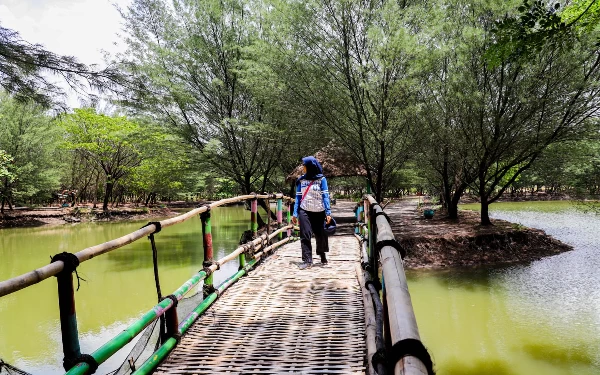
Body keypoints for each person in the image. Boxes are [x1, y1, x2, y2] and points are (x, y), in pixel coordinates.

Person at [291, 156, 332, 269]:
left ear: (310, 167)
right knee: (305, 235)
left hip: (319, 211)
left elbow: (325, 196)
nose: (302, 167)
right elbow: (298, 198)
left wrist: (328, 212)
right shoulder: (301, 180)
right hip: (305, 211)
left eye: (304, 165)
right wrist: (295, 213)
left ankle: (321, 253)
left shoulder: (321, 179)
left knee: (320, 235)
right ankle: (307, 260)